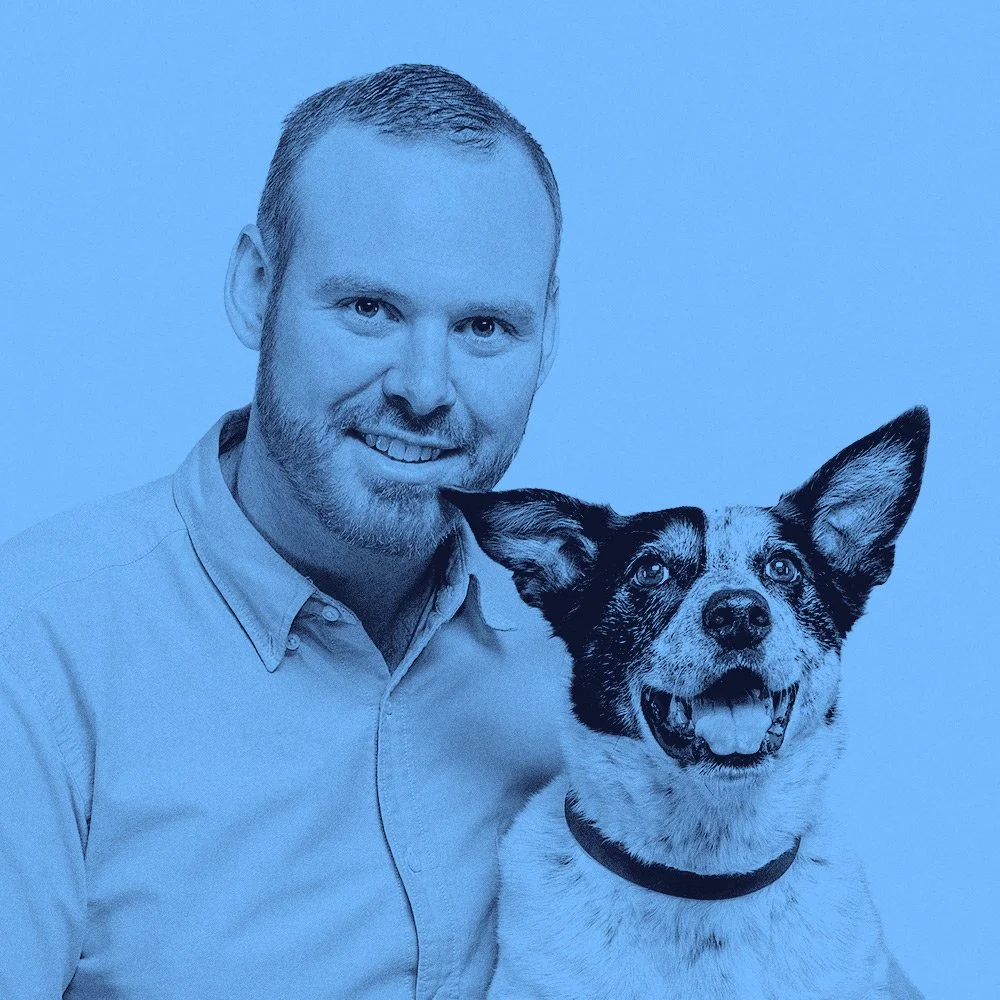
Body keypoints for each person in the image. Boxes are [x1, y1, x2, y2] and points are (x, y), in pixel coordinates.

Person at [0, 64, 567, 998]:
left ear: (548, 334)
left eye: (483, 327)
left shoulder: (594, 656)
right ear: (256, 287)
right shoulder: (37, 656)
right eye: (370, 310)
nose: (425, 388)